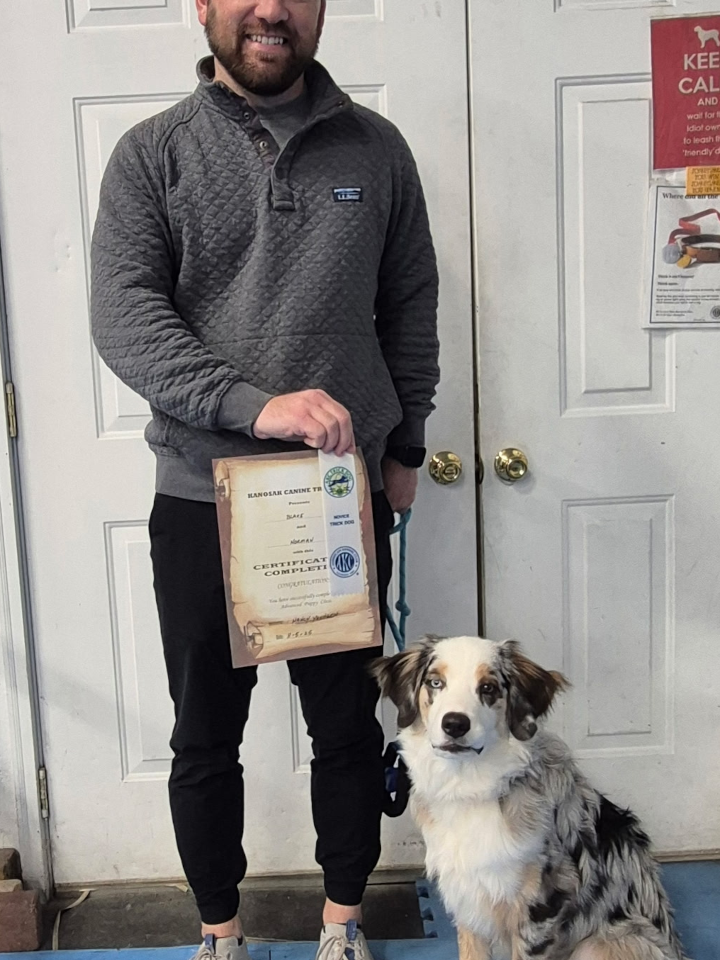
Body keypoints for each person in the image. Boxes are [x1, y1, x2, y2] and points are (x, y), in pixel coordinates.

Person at [90, 0, 439, 957]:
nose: (271, 10)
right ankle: (220, 934)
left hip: (337, 501)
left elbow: (410, 306)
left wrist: (404, 448)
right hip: (203, 501)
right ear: (204, 6)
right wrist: (257, 405)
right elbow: (126, 321)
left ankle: (342, 924)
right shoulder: (150, 155)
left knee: (345, 731)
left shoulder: (377, 150)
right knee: (205, 737)